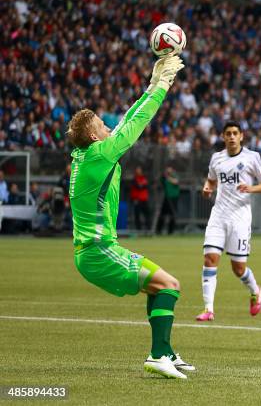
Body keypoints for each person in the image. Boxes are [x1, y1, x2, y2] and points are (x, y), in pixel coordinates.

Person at [67, 55, 194, 379]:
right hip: (98, 252)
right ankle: (156, 355)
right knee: (170, 285)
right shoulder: (99, 154)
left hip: (96, 251)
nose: (108, 127)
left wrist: (151, 84)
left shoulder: (89, 155)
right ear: (95, 136)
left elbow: (125, 121)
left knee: (160, 287)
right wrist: (162, 86)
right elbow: (135, 124)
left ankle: (165, 351)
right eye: (101, 126)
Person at [196, 121, 261, 321]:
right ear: (223, 137)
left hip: (240, 217)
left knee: (238, 268)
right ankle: (208, 309)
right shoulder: (216, 158)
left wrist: (251, 188)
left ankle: (256, 290)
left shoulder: (252, 157)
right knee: (210, 259)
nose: (231, 137)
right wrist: (207, 188)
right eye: (227, 133)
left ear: (241, 136)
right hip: (219, 214)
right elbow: (211, 180)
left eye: (234, 133)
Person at [156, 166, 179, 235]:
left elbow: (176, 181)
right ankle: (158, 230)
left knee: (173, 215)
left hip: (173, 198)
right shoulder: (164, 177)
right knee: (162, 215)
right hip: (167, 198)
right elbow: (160, 182)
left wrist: (168, 178)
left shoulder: (173, 175)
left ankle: (170, 231)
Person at [130, 166, 151, 231]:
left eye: (139, 170)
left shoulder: (144, 178)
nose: (138, 171)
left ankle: (148, 229)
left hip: (144, 199)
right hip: (137, 199)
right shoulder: (134, 179)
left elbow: (145, 186)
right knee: (137, 215)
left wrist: (142, 185)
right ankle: (138, 229)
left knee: (147, 214)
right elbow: (139, 187)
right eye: (137, 170)